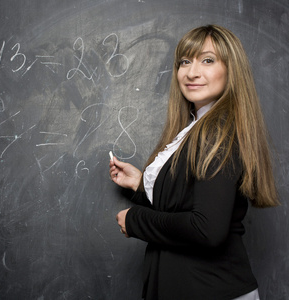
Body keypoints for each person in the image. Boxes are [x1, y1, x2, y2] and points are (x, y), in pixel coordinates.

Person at [109, 24, 279, 300]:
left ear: (231, 70)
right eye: (185, 62)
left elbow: (206, 228)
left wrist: (136, 220)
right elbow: (189, 201)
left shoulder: (216, 132)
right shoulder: (195, 128)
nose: (191, 72)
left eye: (208, 60)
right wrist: (142, 184)